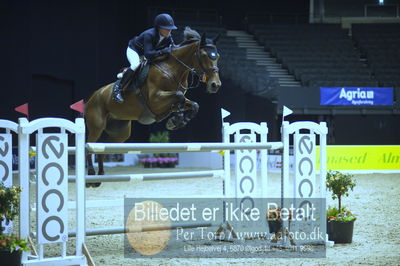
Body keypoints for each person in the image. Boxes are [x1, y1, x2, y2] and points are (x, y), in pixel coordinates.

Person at [113, 13, 178, 103]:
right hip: (135, 50)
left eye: (170, 29)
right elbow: (148, 54)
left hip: (148, 53)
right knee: (136, 65)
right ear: (159, 27)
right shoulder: (149, 34)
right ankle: (118, 89)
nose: (169, 31)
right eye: (167, 28)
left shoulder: (168, 37)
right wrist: (163, 51)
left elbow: (173, 49)